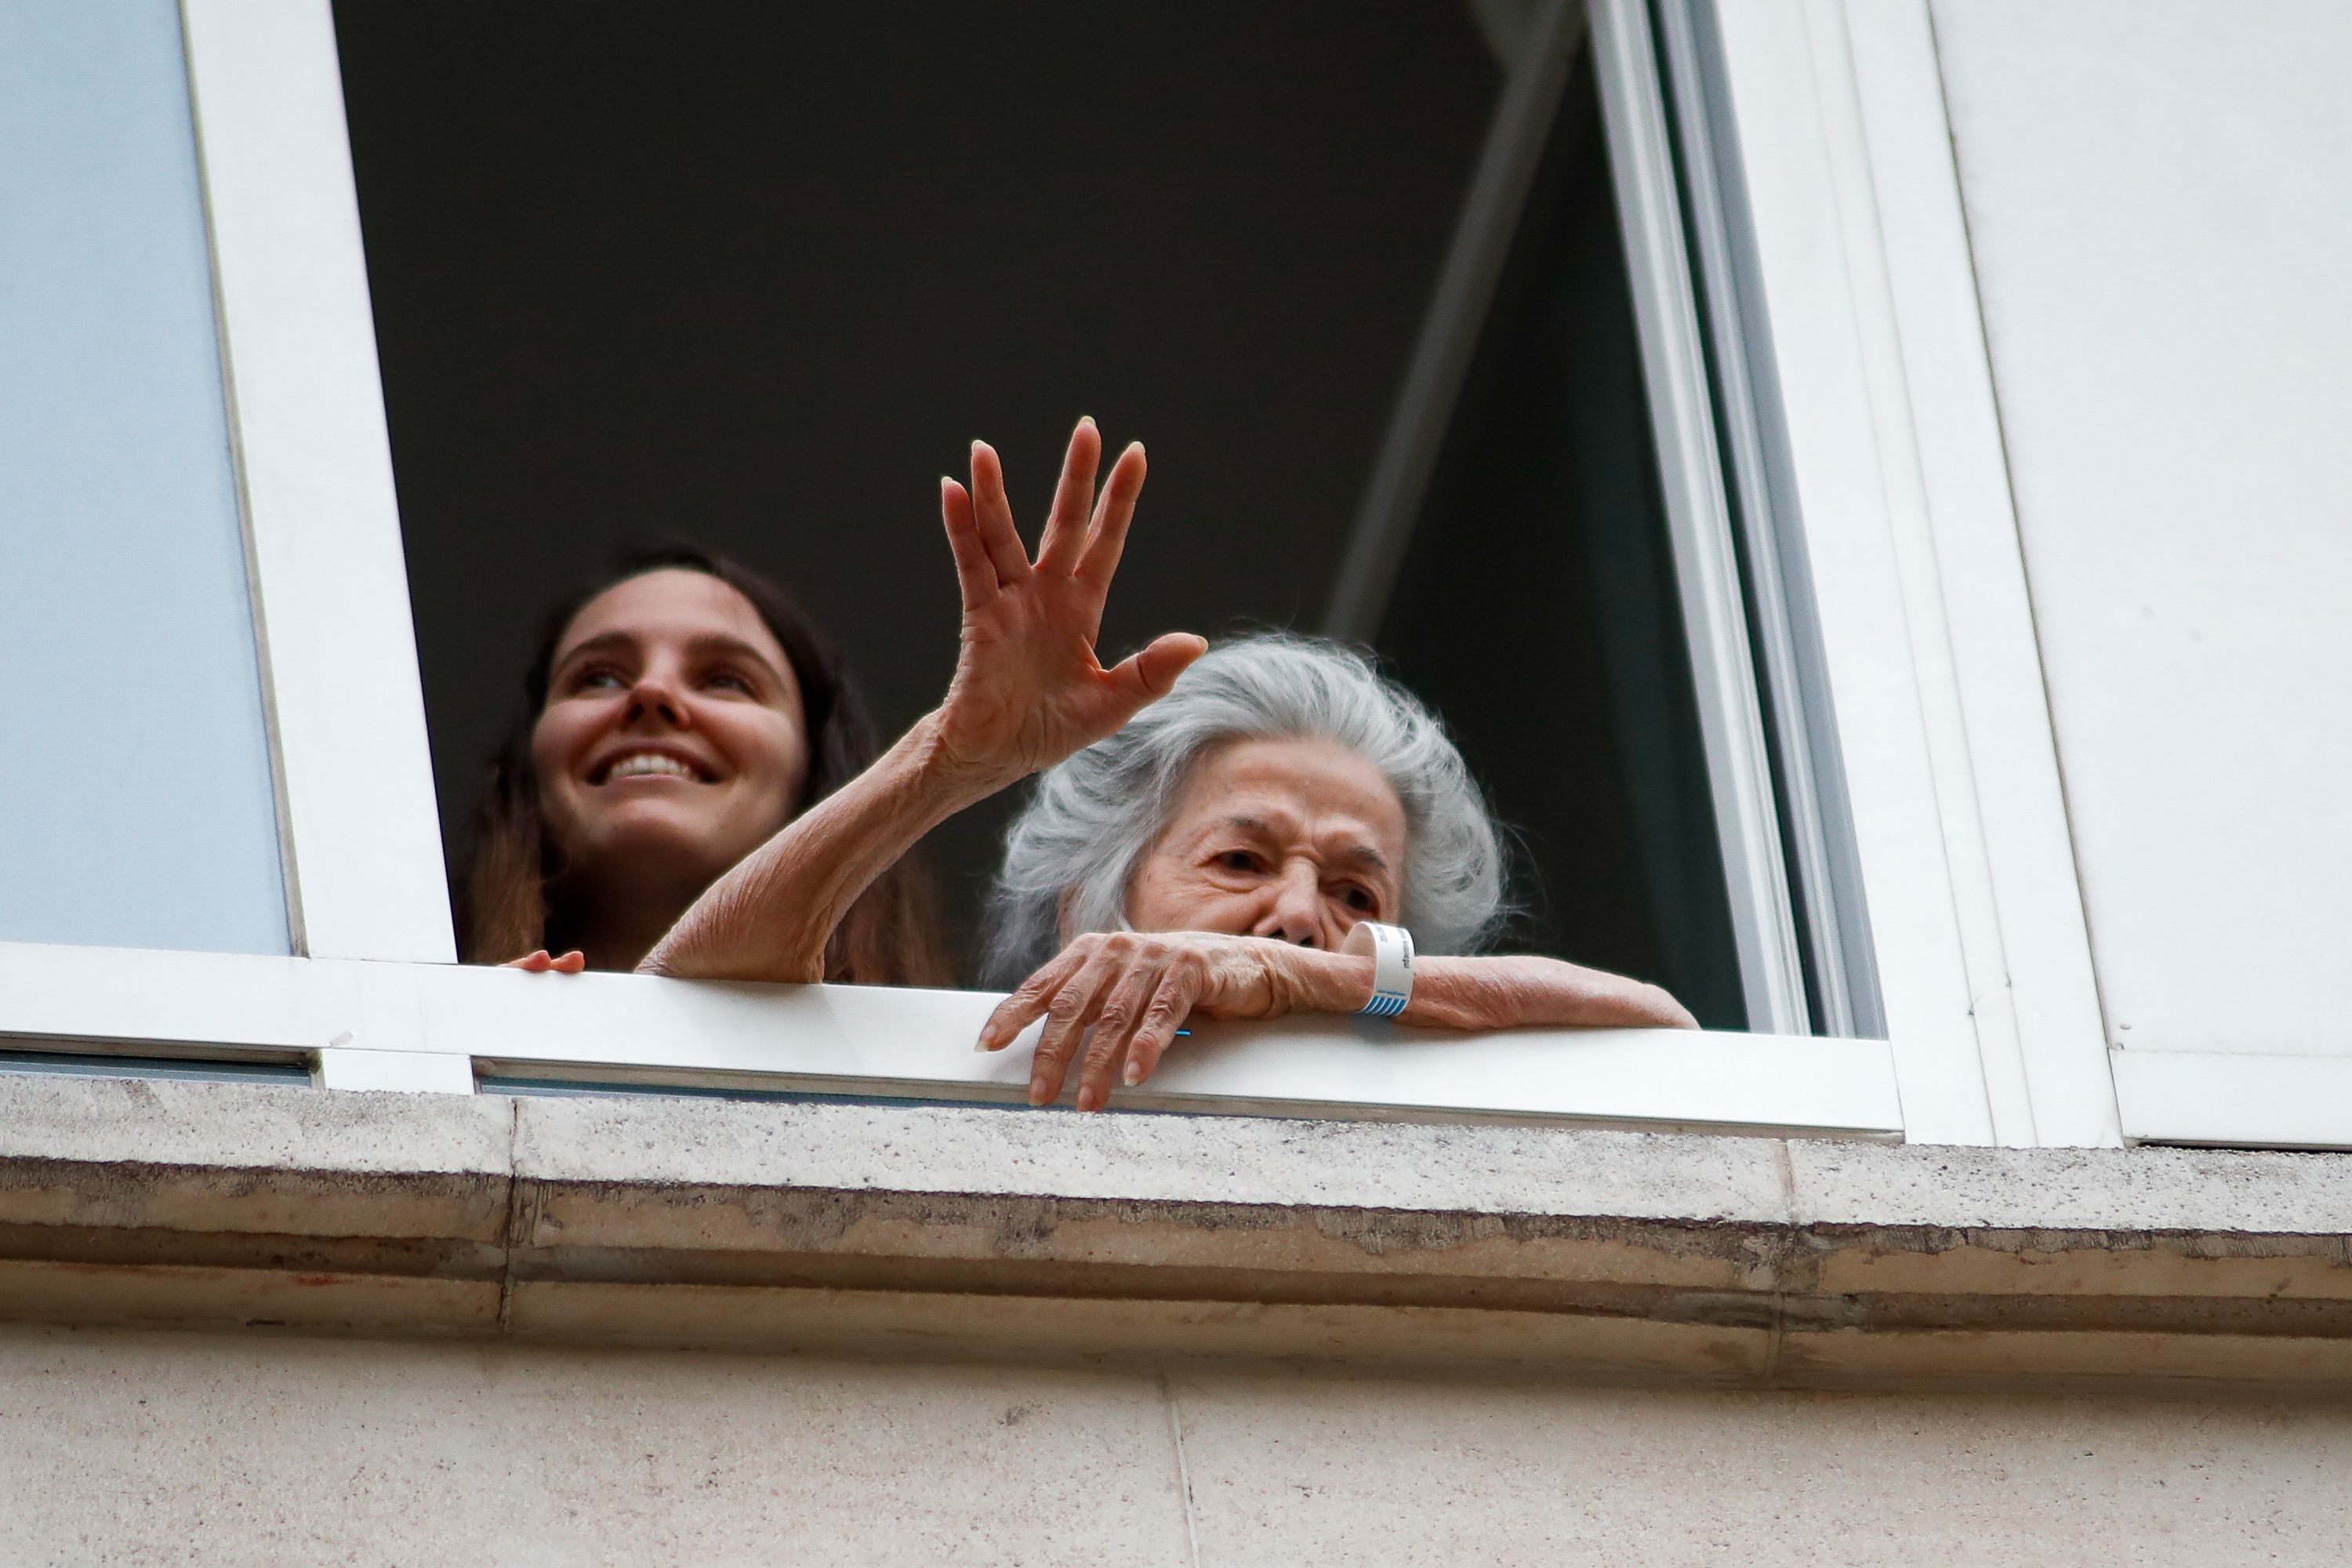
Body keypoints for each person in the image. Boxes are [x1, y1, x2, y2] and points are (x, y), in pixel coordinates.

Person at [646, 416, 1694, 1109]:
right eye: (1240, 861)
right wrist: (951, 760)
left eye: (1357, 889)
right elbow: (688, 998)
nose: (1297, 913)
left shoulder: (1419, 1086)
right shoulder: (975, 1079)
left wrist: (1288, 978)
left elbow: (1663, 1029)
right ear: (1084, 908)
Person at [456, 545, 946, 984]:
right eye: (599, 678)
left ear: (816, 775)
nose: (651, 692)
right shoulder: (408, 1037)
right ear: (527, 772)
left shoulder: (953, 1065)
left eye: (726, 680)